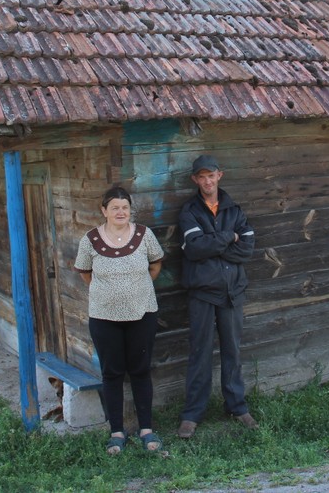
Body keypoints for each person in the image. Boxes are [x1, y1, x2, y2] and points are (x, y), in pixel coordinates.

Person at [74, 186, 165, 455]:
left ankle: (146, 429)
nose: (120, 212)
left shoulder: (144, 234)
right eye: (115, 207)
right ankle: (116, 432)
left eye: (125, 207)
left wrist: (139, 288)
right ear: (104, 211)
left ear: (130, 210)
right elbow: (85, 273)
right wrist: (108, 294)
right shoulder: (89, 240)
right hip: (104, 317)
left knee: (140, 370)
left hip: (142, 313)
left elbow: (156, 263)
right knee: (112, 373)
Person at [177, 155, 257, 439]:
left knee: (232, 351)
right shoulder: (189, 211)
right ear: (194, 180)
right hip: (202, 293)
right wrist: (228, 237)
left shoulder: (234, 209)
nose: (207, 181)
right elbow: (195, 249)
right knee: (200, 352)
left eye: (211, 175)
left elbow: (247, 249)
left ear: (220, 176)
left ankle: (236, 407)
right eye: (202, 177)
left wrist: (216, 243)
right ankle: (192, 414)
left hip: (232, 292)